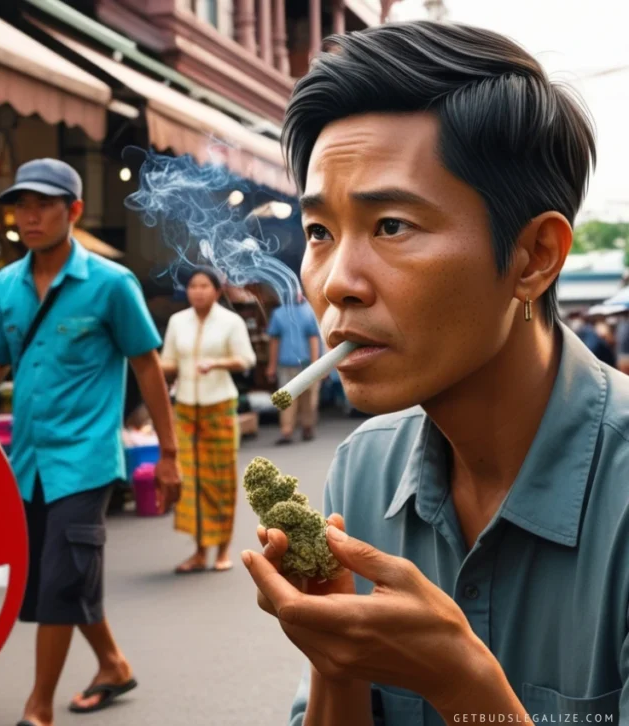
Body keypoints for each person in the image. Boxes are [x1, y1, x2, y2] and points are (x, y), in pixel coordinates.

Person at [239, 21, 629, 726]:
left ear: (535, 256)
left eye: (390, 225)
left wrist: (464, 687)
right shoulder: (363, 472)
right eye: (321, 232)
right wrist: (337, 653)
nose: (337, 284)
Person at [0, 158, 180, 726]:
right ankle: (112, 663)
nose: (29, 216)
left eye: (43, 204)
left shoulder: (111, 284)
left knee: (62, 580)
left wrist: (168, 454)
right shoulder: (6, 285)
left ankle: (37, 708)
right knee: (57, 575)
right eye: (21, 205)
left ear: (75, 211)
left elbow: (147, 367)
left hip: (85, 461)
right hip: (28, 461)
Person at [160, 266, 256, 574]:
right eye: (192, 286)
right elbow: (168, 360)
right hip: (186, 408)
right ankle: (200, 552)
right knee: (190, 480)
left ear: (216, 291)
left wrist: (216, 363)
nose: (198, 291)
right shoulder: (177, 321)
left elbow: (246, 360)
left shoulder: (231, 321)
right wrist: (155, 367)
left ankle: (223, 549)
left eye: (204, 286)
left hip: (219, 407)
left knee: (220, 480)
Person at [265, 291, 322, 443]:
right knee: (303, 397)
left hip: (296, 363)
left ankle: (297, 428)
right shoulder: (304, 312)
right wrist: (315, 363)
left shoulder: (282, 313)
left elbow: (274, 342)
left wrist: (271, 366)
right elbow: (313, 339)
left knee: (295, 397)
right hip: (296, 363)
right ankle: (295, 428)